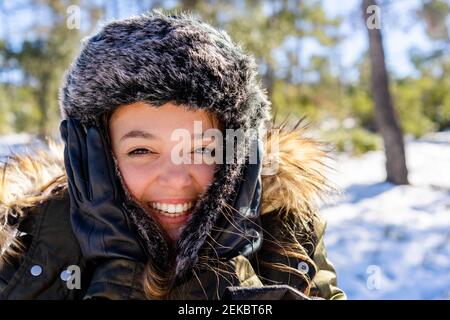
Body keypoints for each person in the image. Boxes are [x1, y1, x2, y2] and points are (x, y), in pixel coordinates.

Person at [0, 10, 346, 300]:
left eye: (201, 149)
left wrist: (223, 272)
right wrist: (121, 275)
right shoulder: (23, 245)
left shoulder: (287, 234)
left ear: (236, 154)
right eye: (141, 150)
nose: (177, 178)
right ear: (97, 156)